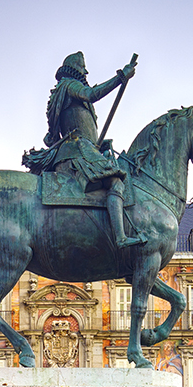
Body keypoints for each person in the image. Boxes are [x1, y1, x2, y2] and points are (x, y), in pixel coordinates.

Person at [42, 51, 144, 248]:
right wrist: (120, 77)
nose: (86, 74)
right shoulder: (70, 85)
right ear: (76, 70)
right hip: (77, 151)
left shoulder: (63, 92)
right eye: (83, 69)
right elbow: (91, 95)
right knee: (116, 183)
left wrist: (98, 144)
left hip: (83, 148)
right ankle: (120, 238)